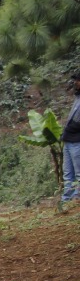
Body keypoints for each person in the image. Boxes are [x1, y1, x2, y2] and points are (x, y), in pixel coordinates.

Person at [61, 72, 80, 207]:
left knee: (78, 173)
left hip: (77, 141)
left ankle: (76, 199)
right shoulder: (77, 98)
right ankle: (66, 199)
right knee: (68, 173)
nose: (76, 83)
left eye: (78, 80)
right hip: (69, 140)